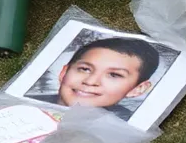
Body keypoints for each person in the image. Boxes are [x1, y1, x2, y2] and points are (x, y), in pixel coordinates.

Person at [31, 37, 161, 118]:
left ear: (138, 88)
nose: (91, 81)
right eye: (85, 69)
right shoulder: (27, 105)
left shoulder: (127, 124)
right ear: (64, 73)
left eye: (114, 75)